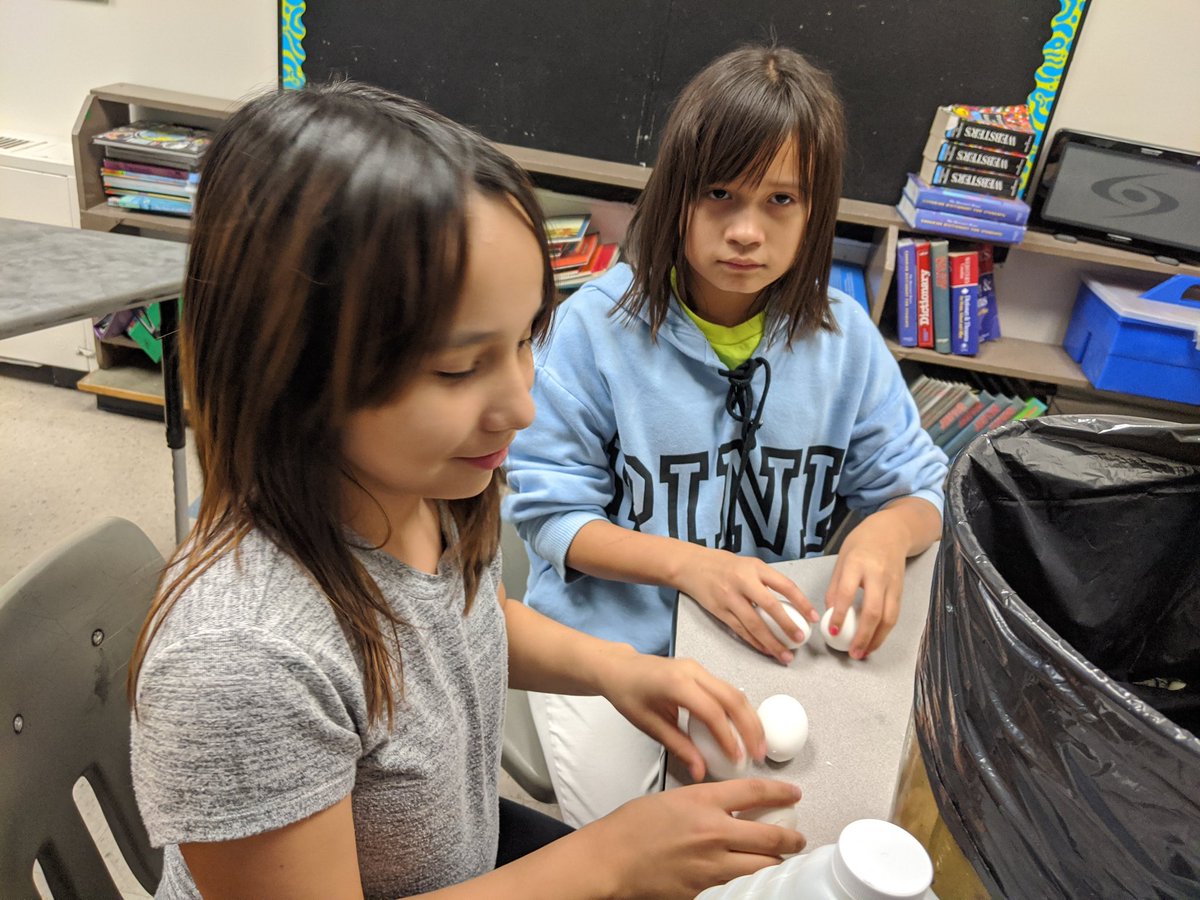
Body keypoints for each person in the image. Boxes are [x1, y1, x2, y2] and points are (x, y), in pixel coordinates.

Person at [127, 82, 807, 900]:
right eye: (458, 367)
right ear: (289, 369)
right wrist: (608, 861)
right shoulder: (243, 665)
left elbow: (455, 626)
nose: (522, 404)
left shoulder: (409, 484)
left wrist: (614, 669)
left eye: (525, 341)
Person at [503, 44, 949, 827]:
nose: (747, 231)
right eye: (719, 194)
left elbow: (922, 490)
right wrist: (688, 567)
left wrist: (885, 531)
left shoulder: (845, 340)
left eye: (781, 201)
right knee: (648, 851)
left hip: (769, 640)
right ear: (677, 194)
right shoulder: (593, 330)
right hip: (614, 647)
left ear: (816, 211)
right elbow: (549, 518)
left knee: (818, 827)